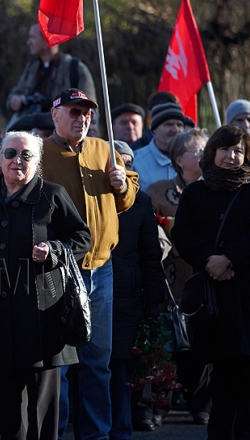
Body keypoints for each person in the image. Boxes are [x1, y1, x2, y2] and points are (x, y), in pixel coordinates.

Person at [0, 131, 91, 439]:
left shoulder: (53, 194)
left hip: (42, 316)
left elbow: (82, 238)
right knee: (8, 409)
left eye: (26, 155)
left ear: (37, 161)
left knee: (43, 410)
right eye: (10, 154)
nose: (17, 160)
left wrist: (54, 251)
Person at [41, 88, 139, 440]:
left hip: (102, 268)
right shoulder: (39, 154)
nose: (81, 118)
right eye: (73, 111)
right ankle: (57, 430)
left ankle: (96, 434)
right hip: (59, 270)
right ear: (55, 115)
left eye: (86, 113)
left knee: (98, 361)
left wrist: (122, 185)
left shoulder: (105, 148)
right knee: (60, 362)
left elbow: (127, 199)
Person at [172, 124, 250, 439]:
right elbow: (183, 233)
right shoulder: (196, 192)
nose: (231, 156)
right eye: (225, 149)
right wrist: (210, 260)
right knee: (222, 384)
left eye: (238, 151)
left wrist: (230, 259)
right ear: (212, 152)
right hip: (213, 300)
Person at [145, 128, 212, 426]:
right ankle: (160, 405)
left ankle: (201, 403)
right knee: (168, 344)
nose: (204, 155)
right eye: (198, 150)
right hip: (171, 280)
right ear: (179, 159)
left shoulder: (217, 189)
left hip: (206, 278)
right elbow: (148, 229)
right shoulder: (158, 190)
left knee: (202, 344)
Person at [108, 141, 166, 437]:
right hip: (96, 294)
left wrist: (154, 301)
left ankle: (121, 429)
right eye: (117, 162)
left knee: (121, 368)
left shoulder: (140, 202)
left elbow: (150, 254)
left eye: (128, 163)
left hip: (128, 295)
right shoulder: (88, 198)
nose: (123, 168)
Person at [7, 22, 95, 125]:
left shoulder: (76, 69)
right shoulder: (32, 67)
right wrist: (15, 101)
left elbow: (91, 111)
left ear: (46, 40)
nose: (28, 42)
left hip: (63, 131)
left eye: (32, 38)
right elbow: (14, 95)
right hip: (31, 128)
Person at [132, 102, 190, 188]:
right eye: (169, 124)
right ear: (154, 129)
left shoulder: (194, 158)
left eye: (179, 125)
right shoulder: (136, 162)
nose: (175, 130)